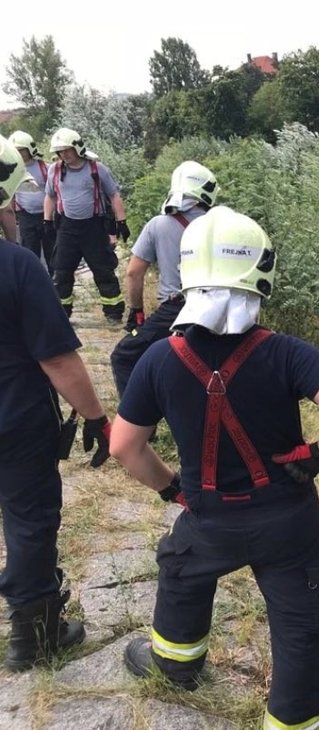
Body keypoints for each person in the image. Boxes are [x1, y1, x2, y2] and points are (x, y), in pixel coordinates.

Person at [109, 206, 319, 729]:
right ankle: (294, 721)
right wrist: (316, 456)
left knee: (181, 570)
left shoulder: (160, 359)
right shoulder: (287, 353)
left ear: (188, 275)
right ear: (261, 272)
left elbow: (124, 446)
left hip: (210, 518)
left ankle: (176, 664)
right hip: (288, 521)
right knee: (300, 622)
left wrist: (171, 490)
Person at [0, 136, 112, 671]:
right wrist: (95, 417)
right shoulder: (19, 268)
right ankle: (34, 634)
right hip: (16, 421)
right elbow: (60, 362)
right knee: (28, 520)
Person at [110, 161, 219, 398]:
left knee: (124, 356)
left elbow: (133, 273)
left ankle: (138, 426)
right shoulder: (220, 225)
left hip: (175, 310)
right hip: (219, 308)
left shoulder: (158, 225)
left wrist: (136, 311)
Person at [43, 127, 129, 322]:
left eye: (67, 150)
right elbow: (50, 196)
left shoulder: (97, 169)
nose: (63, 155)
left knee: (103, 270)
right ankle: (61, 316)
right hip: (67, 228)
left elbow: (114, 195)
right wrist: (47, 220)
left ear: (78, 148)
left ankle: (114, 313)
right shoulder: (54, 170)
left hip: (93, 228)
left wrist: (121, 221)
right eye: (60, 151)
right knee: (61, 272)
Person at [8, 131, 54, 273]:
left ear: (30, 149)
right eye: (15, 150)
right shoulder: (10, 170)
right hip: (26, 217)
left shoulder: (46, 168)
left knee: (51, 251)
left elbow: (54, 192)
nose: (19, 153)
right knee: (30, 252)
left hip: (46, 216)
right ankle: (34, 280)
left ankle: (55, 282)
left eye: (21, 150)